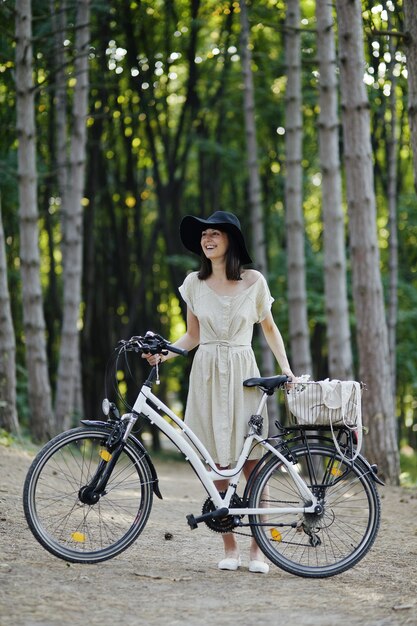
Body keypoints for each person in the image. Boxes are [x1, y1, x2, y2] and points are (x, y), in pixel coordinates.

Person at [144, 211, 295, 574]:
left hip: (244, 372)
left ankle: (259, 551)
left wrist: (286, 368)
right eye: (203, 235)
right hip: (207, 374)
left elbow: (270, 328)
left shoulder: (254, 281)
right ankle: (230, 546)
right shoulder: (193, 284)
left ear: (231, 241)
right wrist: (163, 353)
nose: (207, 239)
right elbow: (192, 335)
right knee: (218, 466)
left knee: (254, 465)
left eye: (214, 234)